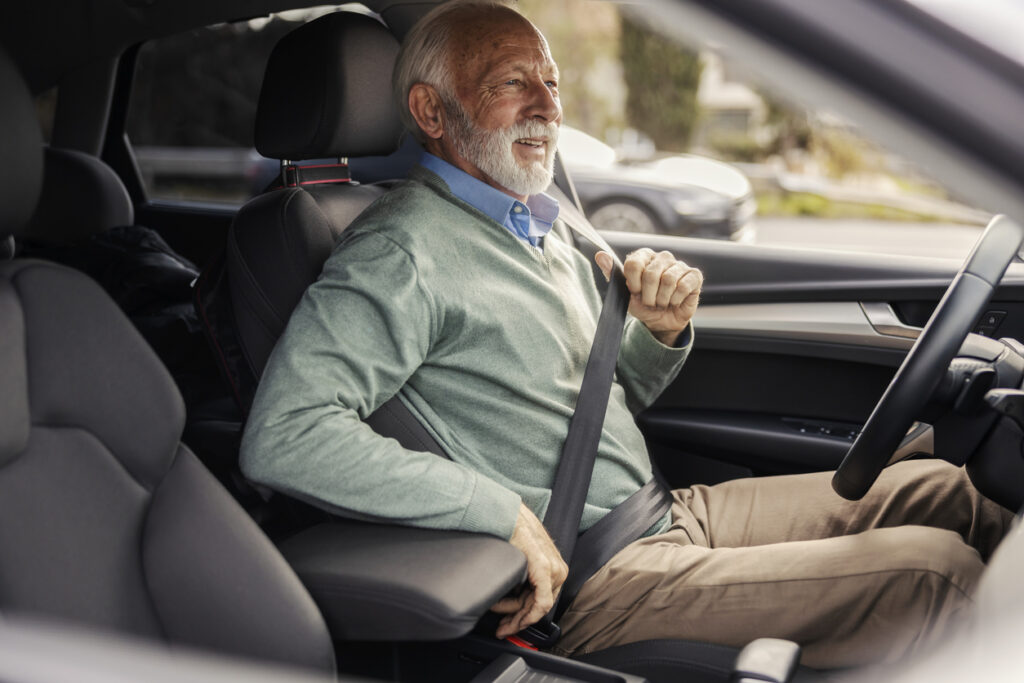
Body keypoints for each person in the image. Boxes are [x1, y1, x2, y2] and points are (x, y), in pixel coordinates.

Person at [240, 0, 1014, 669]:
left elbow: (595, 403)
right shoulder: (400, 251)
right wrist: (498, 510)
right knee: (935, 574)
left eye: (551, 82)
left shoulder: (535, 222)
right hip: (595, 576)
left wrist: (659, 334)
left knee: (952, 490)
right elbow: (286, 432)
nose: (548, 106)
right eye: (512, 83)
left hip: (665, 511)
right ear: (432, 112)